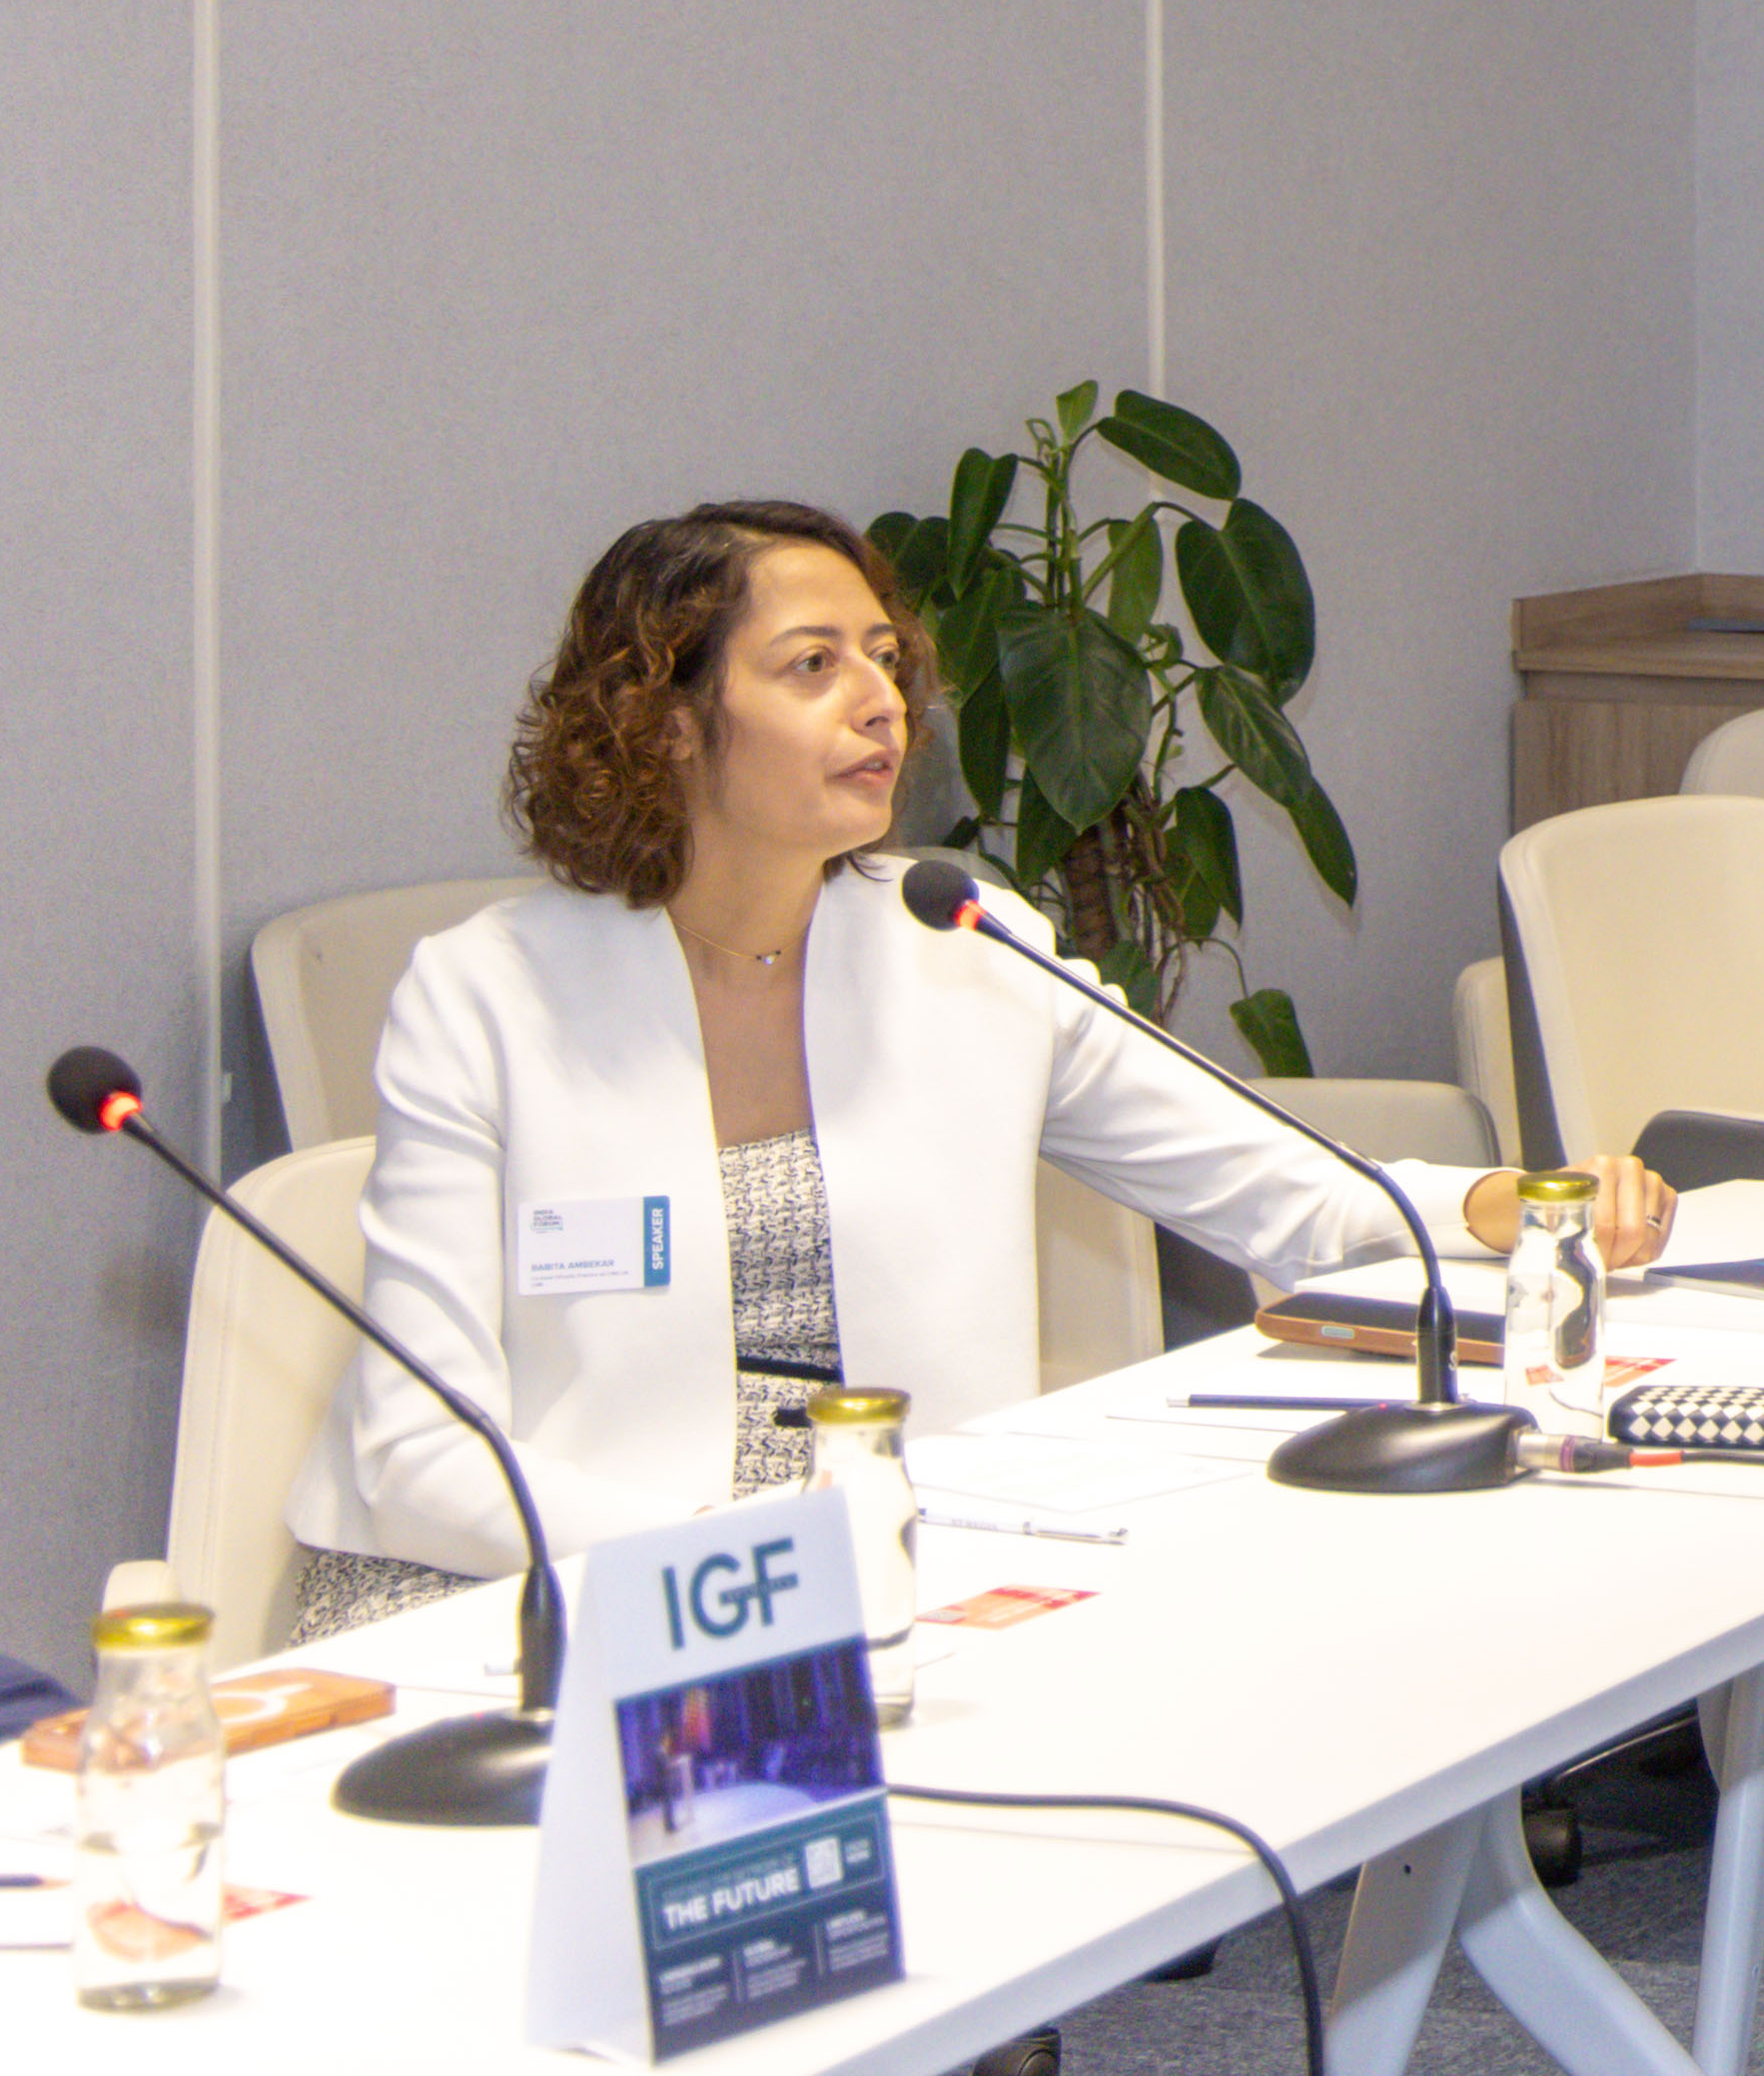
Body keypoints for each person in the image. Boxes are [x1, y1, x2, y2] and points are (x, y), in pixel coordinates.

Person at [277, 500, 1660, 1634]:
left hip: (892, 1586)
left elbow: (1281, 1193)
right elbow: (417, 1453)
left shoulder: (960, 944)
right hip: (528, 1600)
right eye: (813, 666)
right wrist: (735, 1569)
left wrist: (1504, 1207)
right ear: (668, 722)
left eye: (885, 659)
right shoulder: (485, 995)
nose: (882, 702)